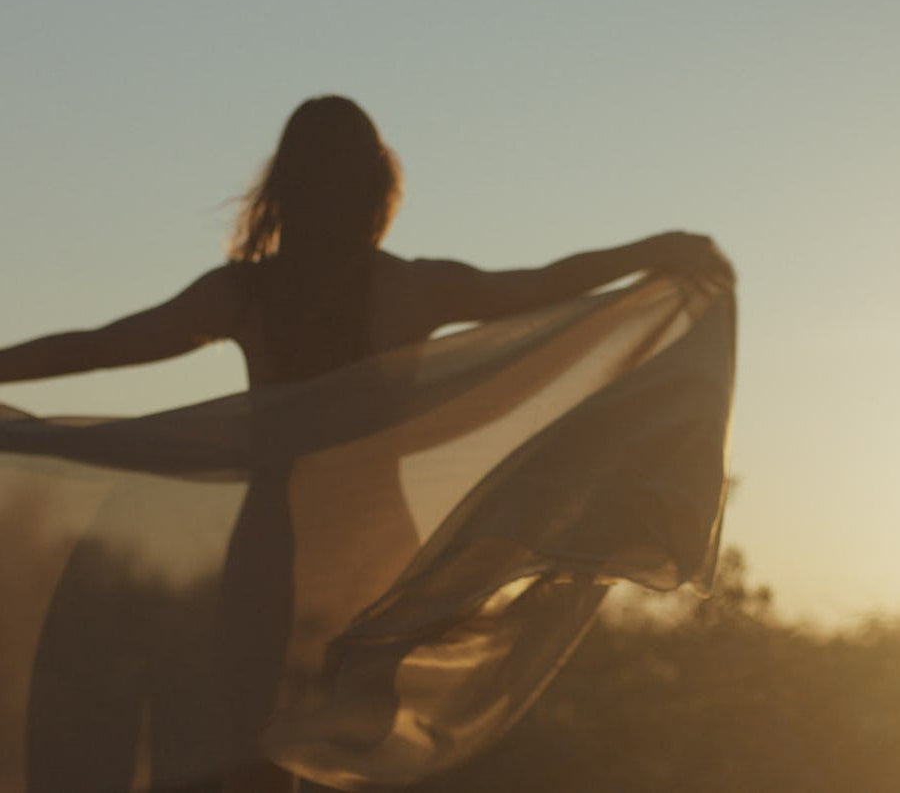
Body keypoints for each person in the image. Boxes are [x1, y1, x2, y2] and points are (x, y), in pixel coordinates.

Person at [0, 96, 733, 792]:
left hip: (272, 550)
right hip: (376, 549)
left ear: (284, 187)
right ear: (376, 186)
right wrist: (655, 248)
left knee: (256, 748)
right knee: (361, 745)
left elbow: (100, 346)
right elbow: (543, 284)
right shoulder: (412, 289)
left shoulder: (245, 295)